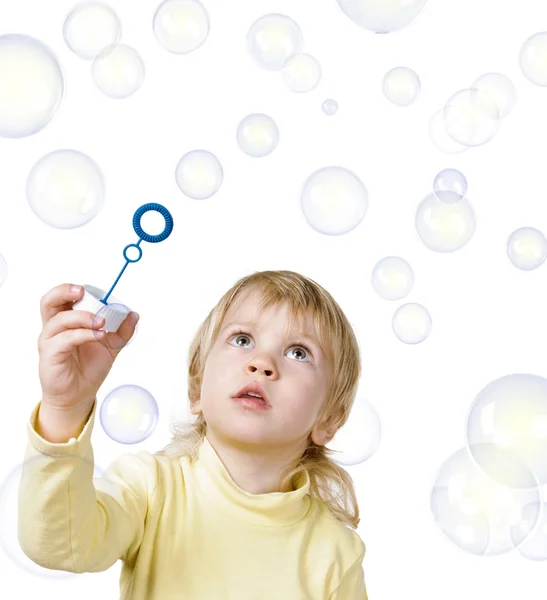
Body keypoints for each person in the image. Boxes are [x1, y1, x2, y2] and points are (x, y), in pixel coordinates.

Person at [18, 270, 368, 599]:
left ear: (330, 418)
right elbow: (59, 546)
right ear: (197, 389)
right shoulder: (151, 487)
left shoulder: (335, 552)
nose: (262, 363)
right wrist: (65, 408)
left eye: (298, 352)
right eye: (242, 339)